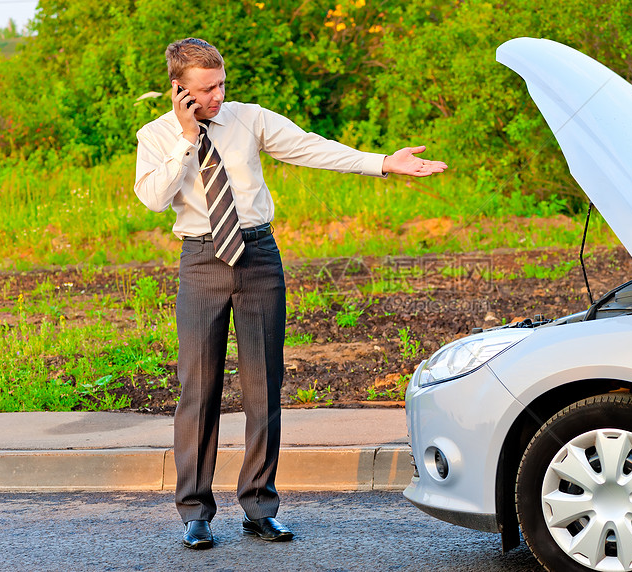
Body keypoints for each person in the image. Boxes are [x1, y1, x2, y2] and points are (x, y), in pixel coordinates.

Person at [134, 37, 446, 550]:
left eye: (222, 84)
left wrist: (383, 163)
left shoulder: (249, 118)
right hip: (200, 259)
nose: (218, 95)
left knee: (263, 387)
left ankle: (259, 505)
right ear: (179, 89)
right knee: (199, 389)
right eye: (207, 89)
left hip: (258, 255)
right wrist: (188, 138)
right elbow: (152, 197)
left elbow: (310, 146)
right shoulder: (156, 134)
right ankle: (195, 511)